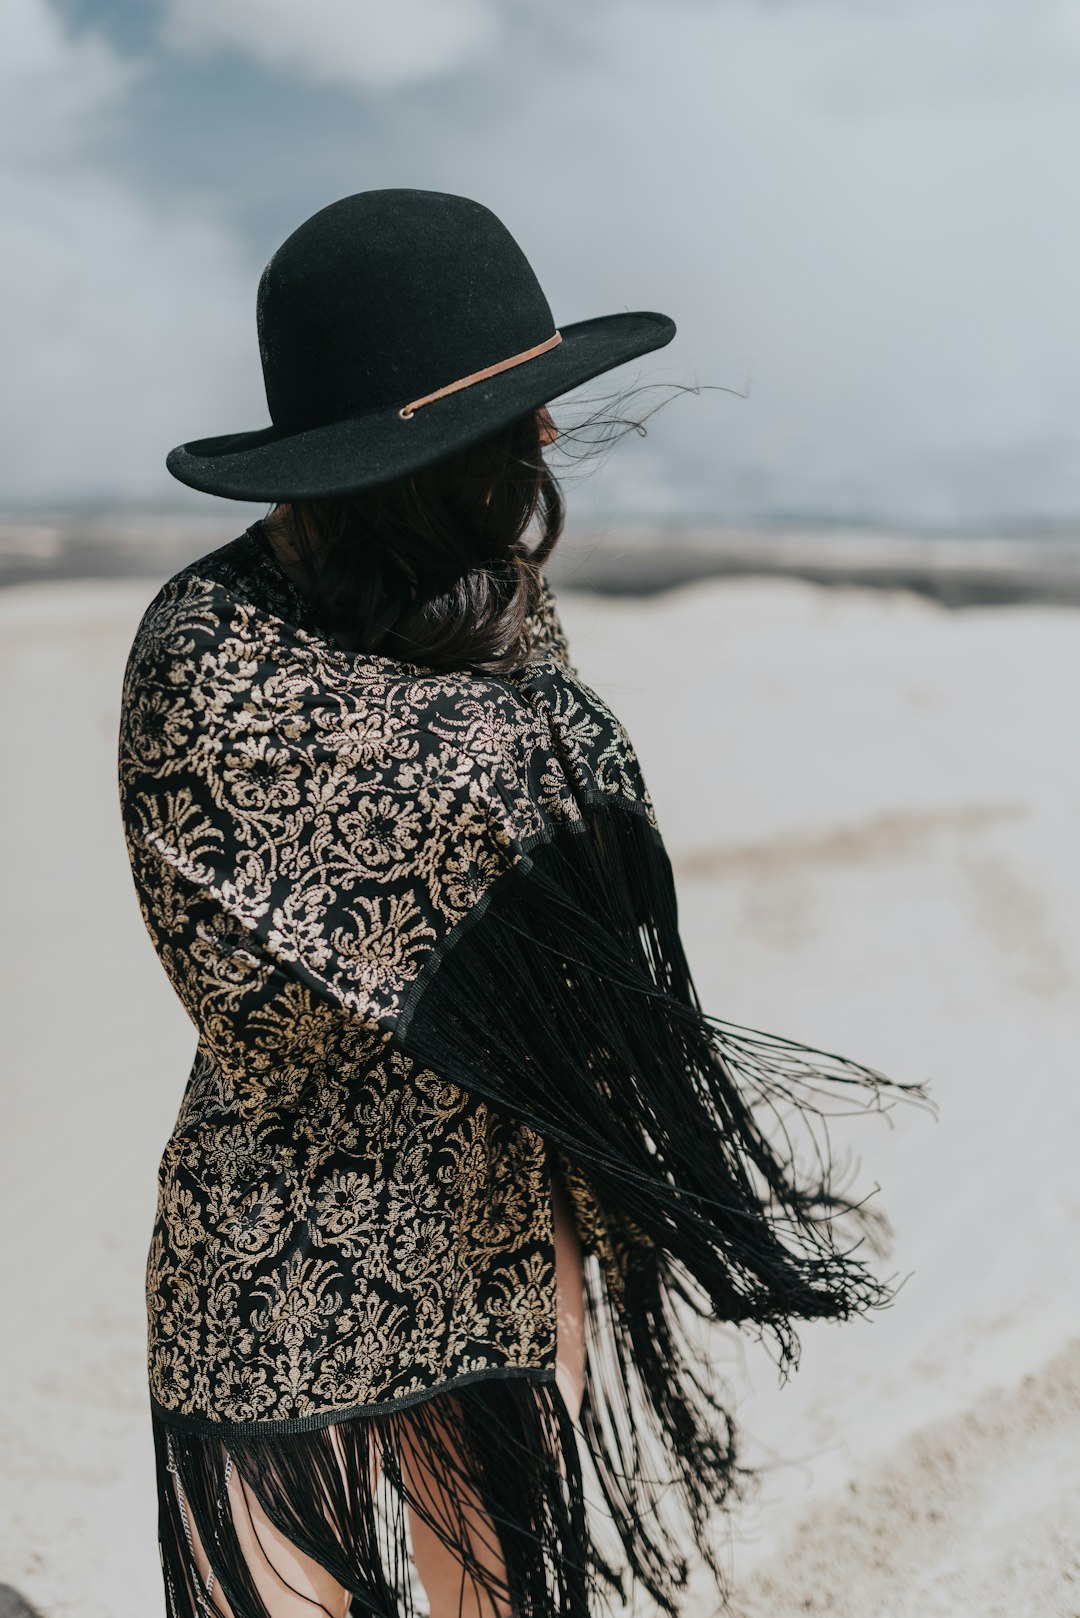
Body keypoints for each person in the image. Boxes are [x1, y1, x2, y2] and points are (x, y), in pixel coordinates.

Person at [117, 188, 931, 1618]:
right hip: (266, 1227)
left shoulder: (494, 606)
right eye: (520, 417)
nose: (551, 438)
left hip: (490, 1213)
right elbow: (272, 949)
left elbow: (542, 931)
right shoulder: (205, 648)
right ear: (420, 456)